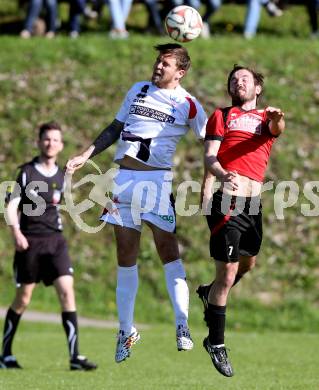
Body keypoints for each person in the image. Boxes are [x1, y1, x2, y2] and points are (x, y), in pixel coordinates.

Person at [66, 43, 207, 363]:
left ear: (180, 72)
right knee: (125, 257)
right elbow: (115, 128)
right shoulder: (137, 89)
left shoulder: (189, 104)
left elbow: (211, 141)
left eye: (165, 64)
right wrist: (85, 154)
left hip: (155, 182)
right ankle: (125, 330)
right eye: (157, 61)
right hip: (121, 183)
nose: (158, 67)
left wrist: (215, 176)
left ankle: (182, 324)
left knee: (167, 252)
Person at [197, 65, 285, 377]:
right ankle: (216, 342)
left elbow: (278, 127)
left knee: (248, 265)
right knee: (229, 271)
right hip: (228, 202)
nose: (238, 82)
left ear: (257, 87)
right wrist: (218, 177)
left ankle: (209, 293)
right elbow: (210, 157)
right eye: (233, 80)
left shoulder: (266, 119)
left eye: (244, 78)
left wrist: (275, 116)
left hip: (253, 204)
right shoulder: (221, 116)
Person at [0, 122, 97, 371]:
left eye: (55, 140)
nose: (50, 143)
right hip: (29, 242)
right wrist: (16, 233)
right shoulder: (26, 173)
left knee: (67, 291)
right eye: (46, 139)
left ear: (61, 145)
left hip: (56, 242)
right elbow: (11, 206)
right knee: (23, 299)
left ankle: (75, 356)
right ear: (38, 142)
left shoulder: (62, 175)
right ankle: (6, 355)